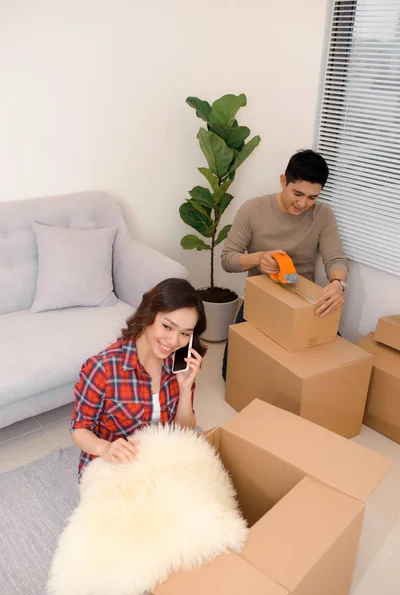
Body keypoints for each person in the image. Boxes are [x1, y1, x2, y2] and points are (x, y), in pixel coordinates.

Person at [221, 149, 348, 380]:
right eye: (297, 193)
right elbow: (227, 259)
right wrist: (258, 258)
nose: (303, 203)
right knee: (231, 374)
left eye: (312, 197)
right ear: (283, 181)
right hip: (260, 301)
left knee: (331, 371)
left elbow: (336, 258)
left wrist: (338, 283)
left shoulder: (323, 216)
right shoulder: (253, 210)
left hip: (303, 301)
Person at [71, 278, 207, 482]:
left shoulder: (178, 366)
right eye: (167, 326)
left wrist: (185, 389)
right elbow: (79, 429)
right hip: (112, 465)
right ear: (149, 314)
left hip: (157, 460)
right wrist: (105, 448)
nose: (173, 341)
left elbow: (184, 431)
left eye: (185, 334)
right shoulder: (102, 368)